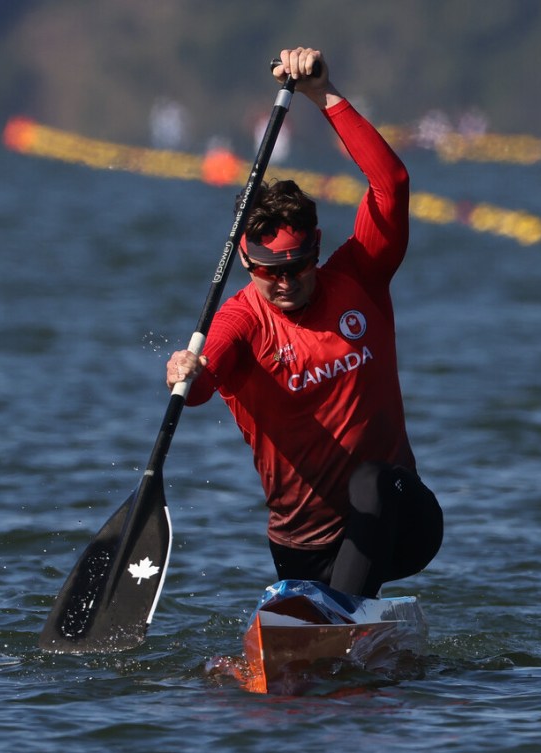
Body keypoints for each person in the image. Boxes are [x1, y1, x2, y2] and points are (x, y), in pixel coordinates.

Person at [166, 47, 443, 598]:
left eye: (297, 266)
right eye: (271, 271)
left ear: (316, 250)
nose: (286, 281)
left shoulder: (360, 275)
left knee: (372, 480)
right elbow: (200, 386)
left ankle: (341, 616)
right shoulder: (240, 320)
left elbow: (393, 183)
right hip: (302, 544)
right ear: (246, 262)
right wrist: (185, 371)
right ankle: (339, 620)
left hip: (401, 520)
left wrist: (324, 95)